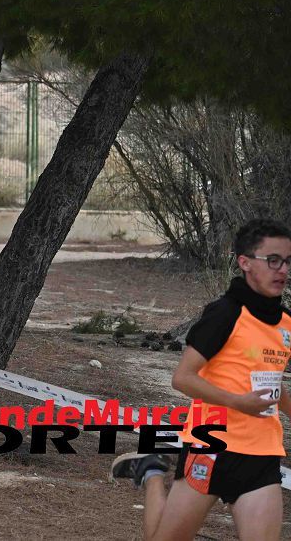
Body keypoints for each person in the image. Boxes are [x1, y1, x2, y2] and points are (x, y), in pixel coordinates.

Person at [110, 218, 291, 540]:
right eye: (273, 260)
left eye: (288, 261)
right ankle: (151, 472)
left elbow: (274, 385)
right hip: (210, 447)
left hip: (262, 454)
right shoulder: (224, 313)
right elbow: (182, 379)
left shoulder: (286, 324)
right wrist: (238, 402)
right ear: (245, 262)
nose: (282, 270)